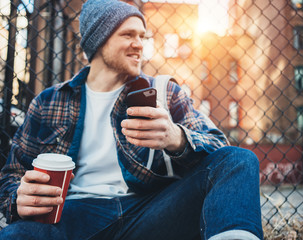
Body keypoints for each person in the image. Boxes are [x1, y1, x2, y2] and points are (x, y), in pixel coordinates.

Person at [0, 0, 263, 239]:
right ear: (99, 41)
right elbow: (12, 172)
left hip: (150, 212)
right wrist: (17, 198)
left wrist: (176, 138)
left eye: (142, 36)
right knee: (15, 235)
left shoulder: (165, 93)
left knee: (240, 160)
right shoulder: (49, 102)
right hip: (72, 216)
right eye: (128, 35)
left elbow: (220, 146)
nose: (140, 44)